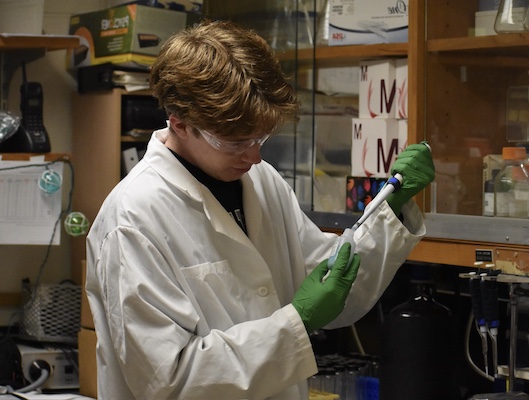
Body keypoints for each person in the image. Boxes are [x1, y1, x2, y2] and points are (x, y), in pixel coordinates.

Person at [85, 19, 435, 400]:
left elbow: (332, 286)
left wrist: (391, 208)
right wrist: (296, 322)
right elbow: (169, 380)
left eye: (261, 137)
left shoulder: (262, 182)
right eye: (235, 142)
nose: (254, 156)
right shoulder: (133, 218)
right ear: (180, 123)